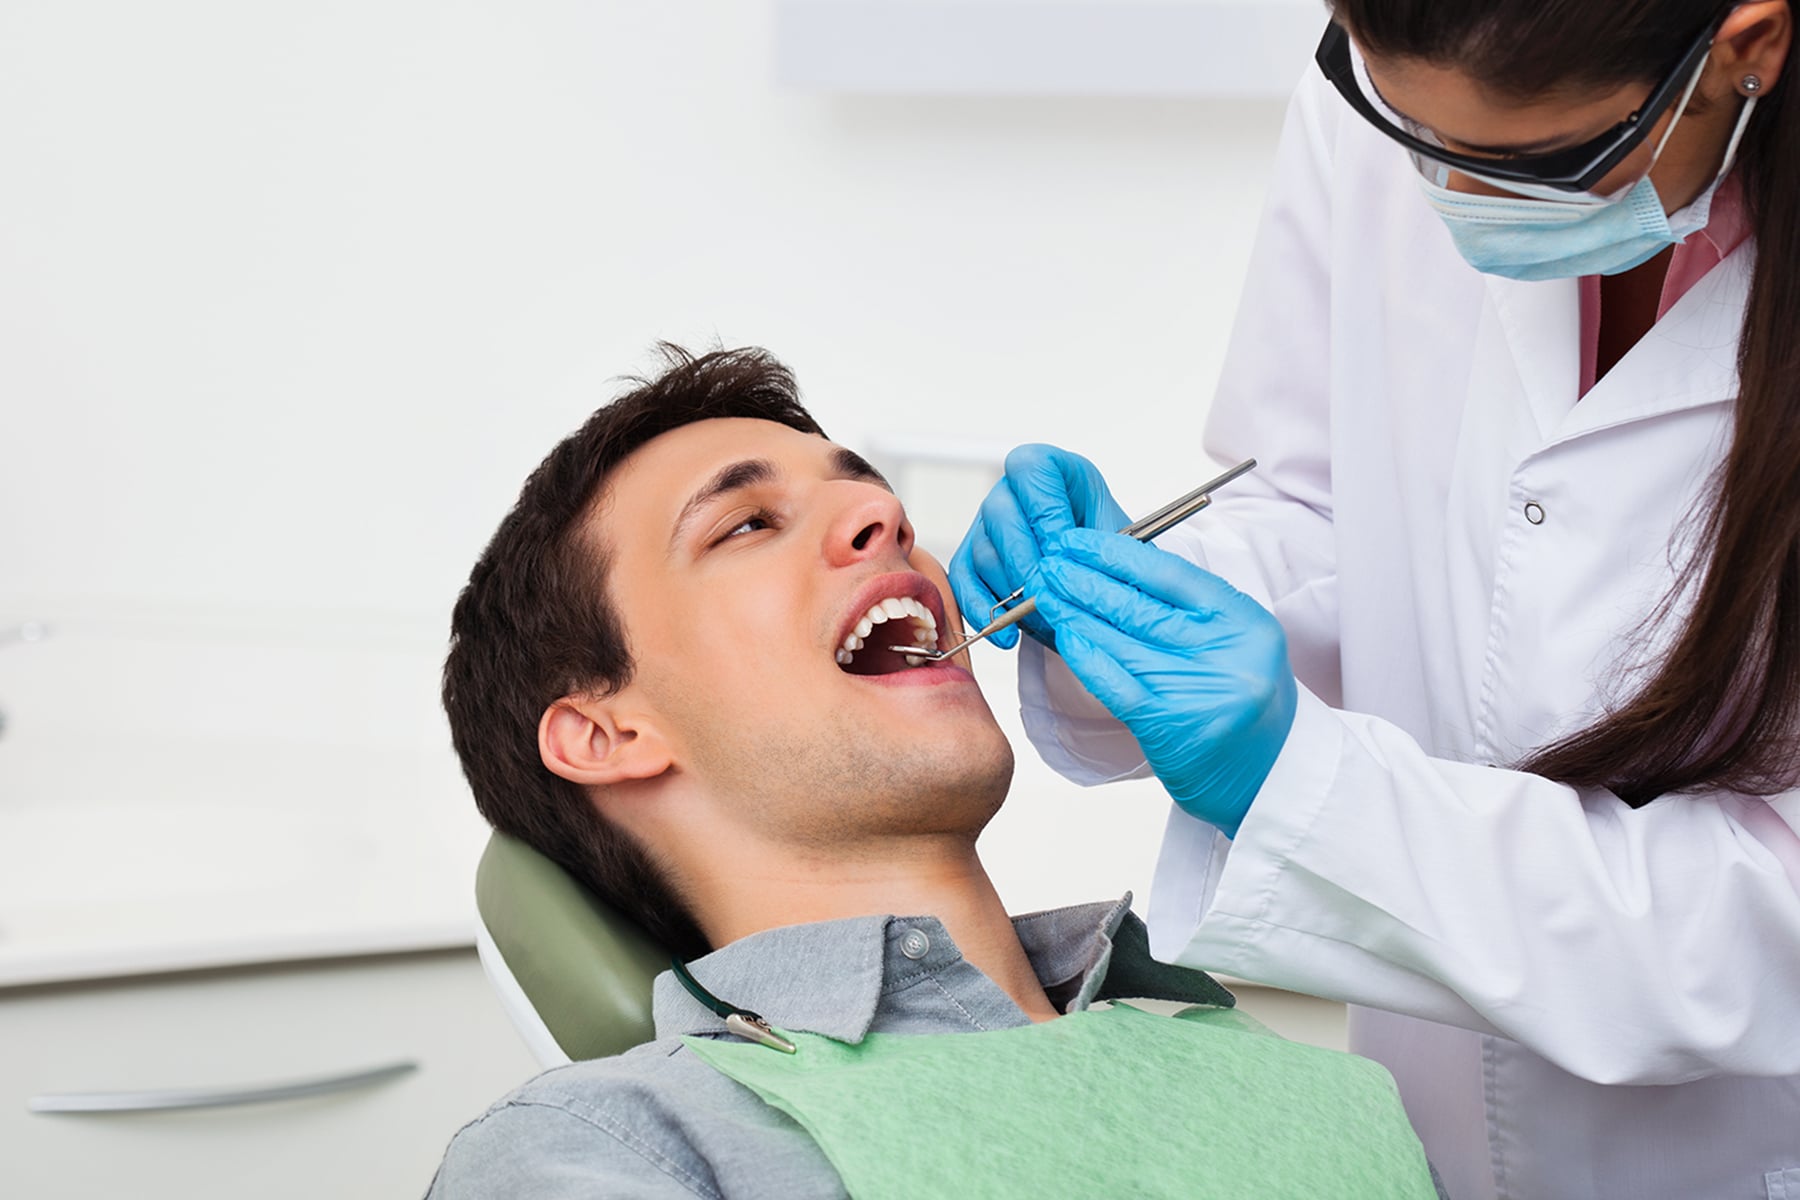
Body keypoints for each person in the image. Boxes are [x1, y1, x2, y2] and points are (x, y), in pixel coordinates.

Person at [951, 3, 1800, 1199]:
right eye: (1407, 129)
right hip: (1417, 1139)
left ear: (1748, 47)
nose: (1449, 194)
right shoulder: (1400, 68)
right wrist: (1139, 613)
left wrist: (1299, 788)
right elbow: (1324, 502)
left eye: (1538, 163)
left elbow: (1773, 933)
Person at [427, 346, 1446, 1198]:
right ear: (606, 735)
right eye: (746, 525)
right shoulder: (599, 1150)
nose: (886, 519)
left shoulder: (1312, 1089)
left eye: (869, 493)